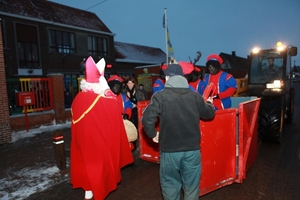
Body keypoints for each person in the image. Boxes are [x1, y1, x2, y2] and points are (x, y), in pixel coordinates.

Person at [142, 64, 215, 200]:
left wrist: (153, 134)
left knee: (170, 184)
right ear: (182, 77)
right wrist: (209, 104)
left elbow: (147, 118)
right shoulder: (194, 96)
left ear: (168, 77)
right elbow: (209, 114)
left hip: (169, 151)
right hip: (192, 150)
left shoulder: (160, 96)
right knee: (192, 187)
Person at [70, 56, 134, 200]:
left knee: (86, 166)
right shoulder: (100, 100)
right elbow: (114, 108)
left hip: (81, 141)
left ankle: (88, 191)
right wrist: (106, 89)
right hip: (96, 143)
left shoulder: (77, 98)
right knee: (97, 170)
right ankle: (98, 193)